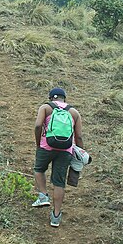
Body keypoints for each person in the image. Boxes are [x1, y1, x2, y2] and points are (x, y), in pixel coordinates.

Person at [32, 87, 84, 228]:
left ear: (51, 98)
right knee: (59, 182)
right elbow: (78, 136)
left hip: (46, 146)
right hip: (66, 149)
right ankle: (55, 217)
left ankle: (43, 195)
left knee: (39, 169)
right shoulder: (74, 112)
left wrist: (38, 143)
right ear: (64, 98)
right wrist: (80, 152)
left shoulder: (45, 108)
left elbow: (38, 126)